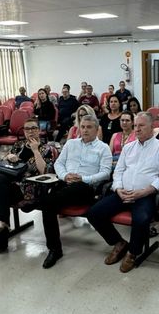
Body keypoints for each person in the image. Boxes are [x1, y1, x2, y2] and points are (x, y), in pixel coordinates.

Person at [86, 113, 159, 273]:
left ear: (152, 127)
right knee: (93, 213)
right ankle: (119, 243)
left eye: (141, 126)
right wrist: (118, 189)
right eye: (135, 126)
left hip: (145, 195)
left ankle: (133, 253)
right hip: (123, 193)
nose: (137, 129)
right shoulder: (128, 147)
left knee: (141, 219)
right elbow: (118, 172)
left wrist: (145, 191)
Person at [40, 115, 113, 268]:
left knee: (48, 201)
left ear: (96, 129)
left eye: (89, 127)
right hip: (65, 183)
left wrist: (83, 178)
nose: (85, 130)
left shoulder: (103, 148)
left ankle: (54, 249)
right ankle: (54, 249)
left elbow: (106, 173)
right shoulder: (70, 144)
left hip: (86, 188)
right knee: (48, 204)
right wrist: (65, 175)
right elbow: (59, 164)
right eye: (83, 127)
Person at [0, 117, 58, 256]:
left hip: (33, 190)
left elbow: (45, 171)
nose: (30, 131)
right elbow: (4, 162)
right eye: (27, 129)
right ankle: (1, 222)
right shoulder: (18, 145)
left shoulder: (47, 148)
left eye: (33, 128)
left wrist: (36, 150)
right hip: (13, 186)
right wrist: (9, 157)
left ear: (39, 130)